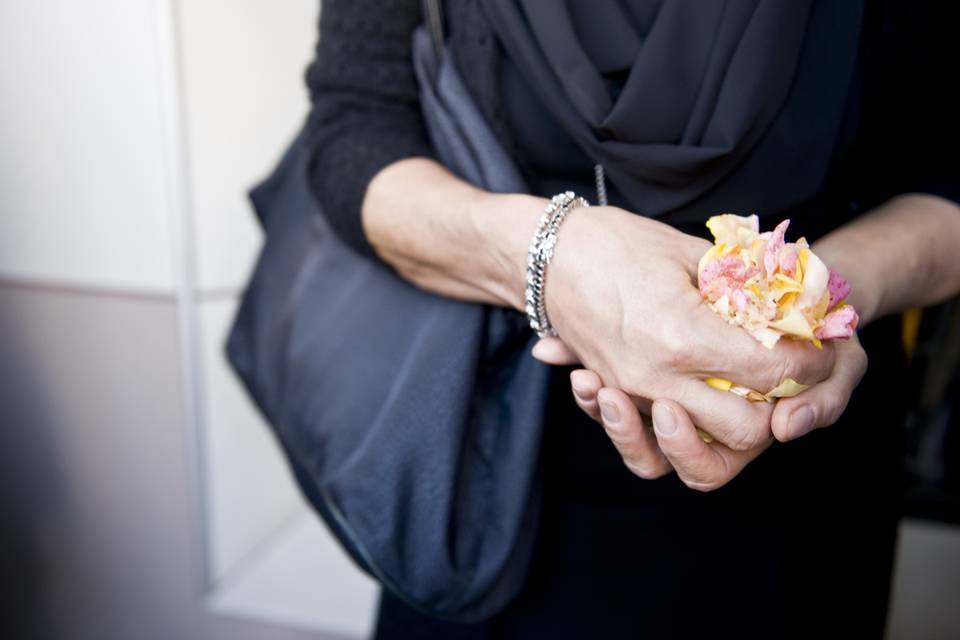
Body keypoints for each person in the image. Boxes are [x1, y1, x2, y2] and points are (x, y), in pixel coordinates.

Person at [304, 1, 960, 637]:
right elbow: (355, 130)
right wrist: (552, 256)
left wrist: (813, 296)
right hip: (494, 464)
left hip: (803, 467)